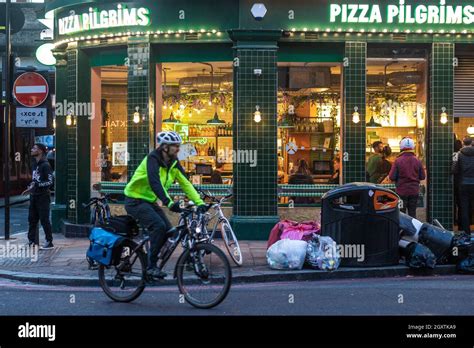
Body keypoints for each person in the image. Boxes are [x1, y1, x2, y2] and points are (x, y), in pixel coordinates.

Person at [124, 131, 207, 279]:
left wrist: (200, 202)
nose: (178, 149)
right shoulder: (152, 159)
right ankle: (150, 266)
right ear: (164, 147)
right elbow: (154, 182)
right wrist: (168, 202)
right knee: (158, 226)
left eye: (178, 145)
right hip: (135, 200)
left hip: (149, 201)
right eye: (175, 146)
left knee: (170, 231)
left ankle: (152, 256)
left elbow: (186, 183)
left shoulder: (174, 163)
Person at [23, 143, 54, 249]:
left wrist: (37, 185)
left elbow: (50, 182)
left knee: (44, 219)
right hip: (34, 196)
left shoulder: (45, 165)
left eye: (34, 148)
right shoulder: (34, 164)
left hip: (43, 197)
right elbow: (35, 180)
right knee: (32, 219)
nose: (32, 149)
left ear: (40, 151)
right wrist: (31, 186)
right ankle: (31, 241)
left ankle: (49, 242)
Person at [389, 137, 425, 218]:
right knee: (412, 214)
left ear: (401, 147)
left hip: (401, 192)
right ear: (412, 147)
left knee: (401, 214)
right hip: (414, 191)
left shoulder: (398, 161)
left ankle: (402, 230)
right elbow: (423, 176)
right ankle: (412, 230)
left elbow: (391, 176)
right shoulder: (417, 160)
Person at [452, 136, 474, 233]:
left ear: (463, 143)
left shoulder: (458, 155)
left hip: (463, 184)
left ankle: (466, 231)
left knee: (464, 207)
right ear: (472, 143)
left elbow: (454, 170)